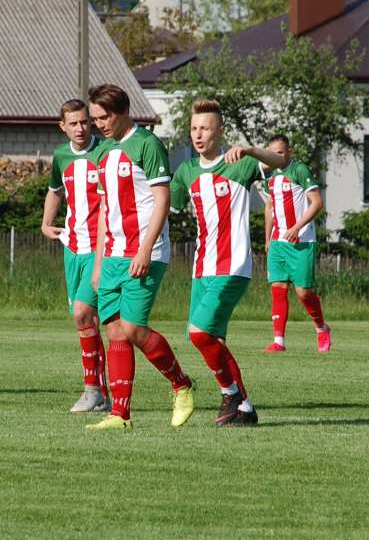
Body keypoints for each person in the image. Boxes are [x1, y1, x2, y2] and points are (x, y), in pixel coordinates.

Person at [170, 99, 287, 425]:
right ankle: (244, 407)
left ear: (219, 131)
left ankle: (230, 391)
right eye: (194, 128)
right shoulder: (186, 172)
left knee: (198, 333)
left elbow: (280, 159)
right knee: (211, 340)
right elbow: (168, 204)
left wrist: (250, 150)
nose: (198, 134)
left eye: (205, 128)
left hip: (233, 266)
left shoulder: (239, 164)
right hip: (201, 268)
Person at [85, 84, 194, 430]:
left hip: (145, 251)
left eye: (105, 117)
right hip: (113, 255)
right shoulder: (102, 152)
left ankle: (182, 385)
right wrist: (99, 263)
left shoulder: (147, 144)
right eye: (95, 119)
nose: (99, 124)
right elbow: (105, 210)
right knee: (116, 331)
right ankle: (120, 414)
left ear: (123, 111)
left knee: (132, 328)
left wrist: (146, 248)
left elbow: (162, 199)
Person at [41, 99, 110, 413]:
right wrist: (45, 223)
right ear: (63, 126)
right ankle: (102, 392)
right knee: (87, 321)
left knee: (84, 313)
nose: (81, 128)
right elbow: (55, 190)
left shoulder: (105, 152)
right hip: (73, 247)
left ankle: (92, 389)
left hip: (102, 248)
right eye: (74, 123)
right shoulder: (61, 155)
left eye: (85, 122)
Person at [262, 134, 331, 353]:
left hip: (302, 241)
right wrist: (267, 238)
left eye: (280, 152)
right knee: (278, 288)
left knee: (303, 293)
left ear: (289, 152)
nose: (277, 157)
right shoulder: (270, 177)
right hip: (278, 242)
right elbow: (270, 207)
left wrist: (296, 227)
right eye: (273, 153)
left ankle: (321, 327)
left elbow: (317, 203)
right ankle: (278, 341)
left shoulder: (299, 170)